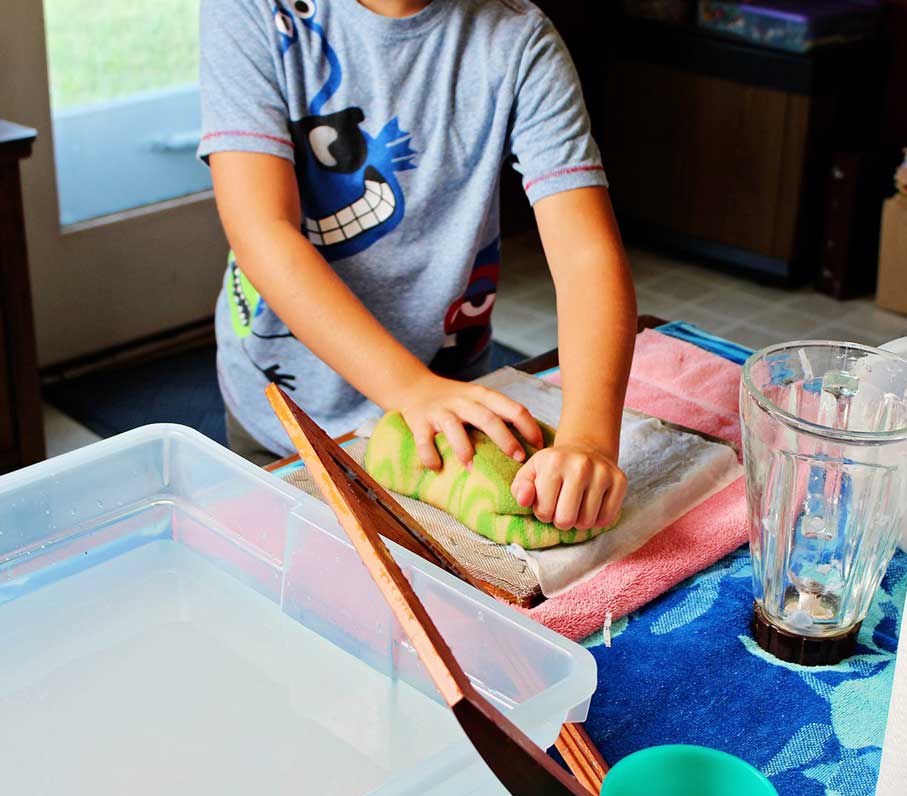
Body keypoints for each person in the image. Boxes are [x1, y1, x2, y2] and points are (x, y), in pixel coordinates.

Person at [198, 0, 636, 531]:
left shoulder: (520, 40)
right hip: (288, 413)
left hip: (447, 411)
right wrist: (408, 387)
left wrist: (589, 439)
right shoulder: (249, 11)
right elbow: (264, 230)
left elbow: (585, 255)